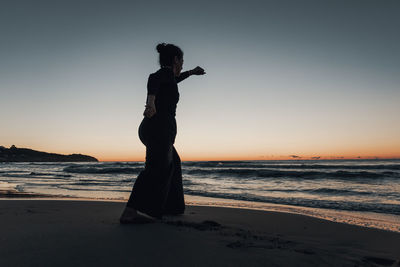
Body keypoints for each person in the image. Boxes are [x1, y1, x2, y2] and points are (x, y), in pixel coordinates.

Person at [120, 43, 205, 223]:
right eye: (182, 61)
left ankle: (172, 207)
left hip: (157, 128)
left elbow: (174, 78)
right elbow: (154, 78)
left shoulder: (170, 78)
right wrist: (150, 103)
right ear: (175, 60)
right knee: (156, 167)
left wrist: (191, 72)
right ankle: (130, 211)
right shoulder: (163, 74)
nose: (182, 64)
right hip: (158, 127)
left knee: (173, 163)